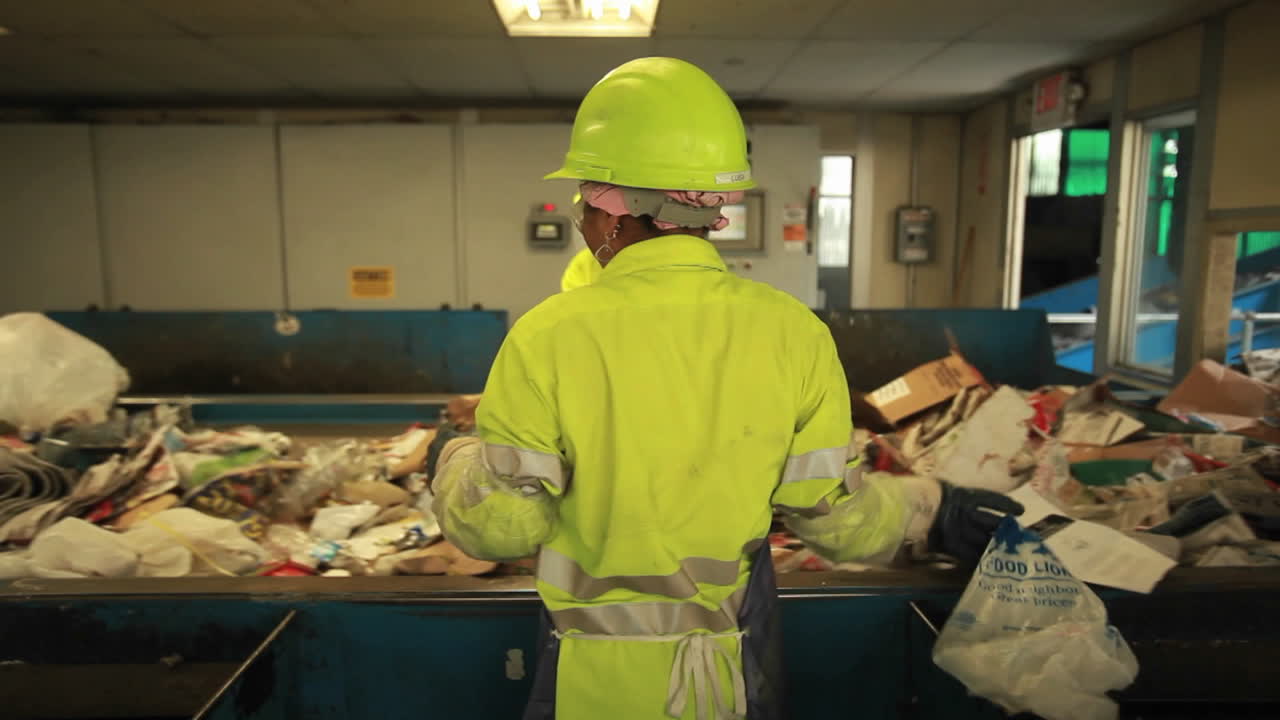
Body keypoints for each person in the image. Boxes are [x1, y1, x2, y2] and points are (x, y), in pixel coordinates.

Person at [431, 57, 1021, 720]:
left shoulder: (546, 336)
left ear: (610, 214)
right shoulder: (792, 333)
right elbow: (837, 522)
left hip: (589, 680)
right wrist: (932, 506)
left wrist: (451, 458)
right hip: (734, 673)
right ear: (712, 212)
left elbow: (502, 526)